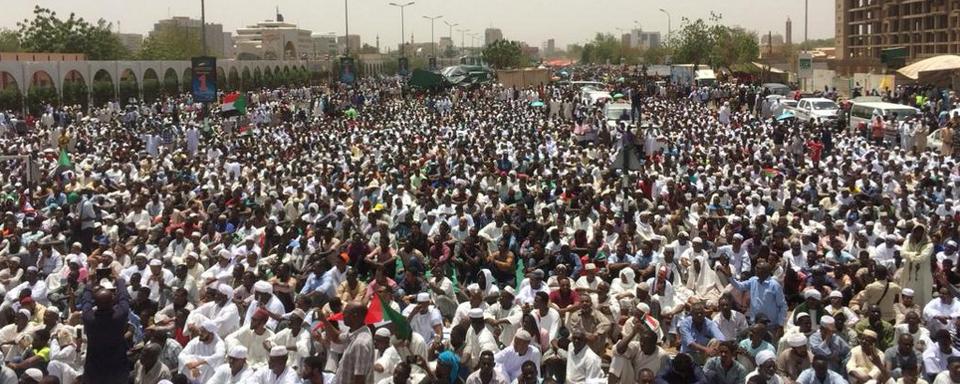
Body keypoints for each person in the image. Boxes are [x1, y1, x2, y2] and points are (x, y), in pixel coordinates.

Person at [80, 278, 132, 383]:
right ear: (112, 301)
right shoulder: (120, 315)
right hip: (117, 368)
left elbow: (86, 302)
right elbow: (124, 298)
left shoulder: (89, 318)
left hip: (95, 370)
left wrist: (89, 285)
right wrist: (119, 280)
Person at [332, 302, 374, 384]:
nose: (342, 315)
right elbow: (337, 338)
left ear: (355, 315)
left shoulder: (360, 343)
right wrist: (323, 320)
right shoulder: (356, 332)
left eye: (345, 313)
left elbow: (360, 378)